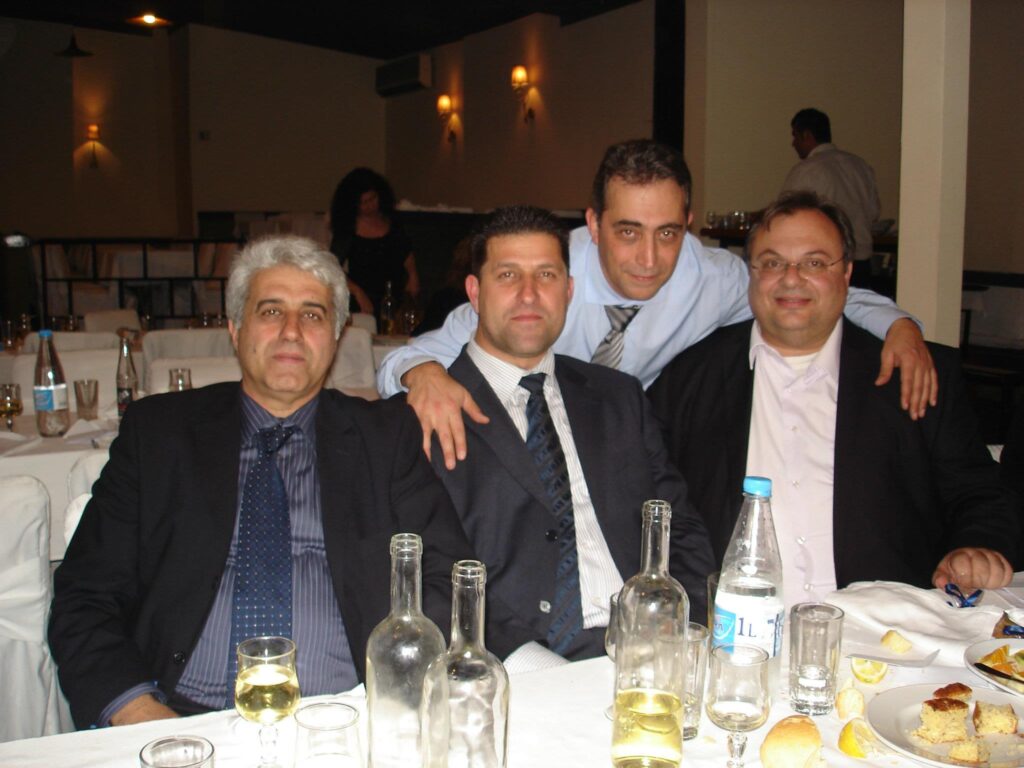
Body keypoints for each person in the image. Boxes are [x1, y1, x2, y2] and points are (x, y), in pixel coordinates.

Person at [47, 236, 516, 729]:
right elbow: (84, 597)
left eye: (313, 315)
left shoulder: (384, 437)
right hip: (177, 716)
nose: (292, 331)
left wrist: (397, 695)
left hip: (345, 717)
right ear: (235, 329)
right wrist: (141, 714)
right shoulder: (160, 434)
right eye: (271, 311)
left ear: (335, 337)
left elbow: (446, 577)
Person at [376, 139, 937, 470]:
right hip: (528, 452)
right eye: (627, 232)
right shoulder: (544, 272)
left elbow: (811, 289)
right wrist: (422, 374)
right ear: (593, 223)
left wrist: (900, 326)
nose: (648, 259)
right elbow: (403, 359)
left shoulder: (711, 277)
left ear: (688, 224)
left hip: (634, 454)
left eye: (667, 233)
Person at [648, 192, 1017, 605]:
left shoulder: (915, 374)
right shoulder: (690, 377)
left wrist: (976, 546)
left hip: (885, 627)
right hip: (733, 626)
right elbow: (648, 498)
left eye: (814, 263)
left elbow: (978, 493)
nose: (791, 278)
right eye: (772, 262)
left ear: (846, 273)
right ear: (751, 273)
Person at [427, 206, 716, 662]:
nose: (529, 294)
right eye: (508, 275)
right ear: (475, 294)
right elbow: (431, 572)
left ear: (568, 291)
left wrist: (686, 624)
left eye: (546, 275)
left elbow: (679, 526)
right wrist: (530, 664)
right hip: (520, 663)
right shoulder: (427, 413)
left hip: (648, 648)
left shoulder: (619, 397)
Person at [782, 108, 881, 287]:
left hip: (824, 263)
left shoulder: (808, 170)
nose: (793, 143)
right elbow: (874, 212)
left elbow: (788, 214)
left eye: (795, 136)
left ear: (807, 135)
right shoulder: (860, 166)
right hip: (862, 262)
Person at [329, 167, 420, 315]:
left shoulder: (391, 220)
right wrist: (357, 292)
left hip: (395, 295)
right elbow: (333, 266)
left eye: (372, 199)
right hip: (364, 301)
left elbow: (405, 250)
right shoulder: (347, 230)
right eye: (363, 202)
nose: (369, 206)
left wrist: (413, 276)